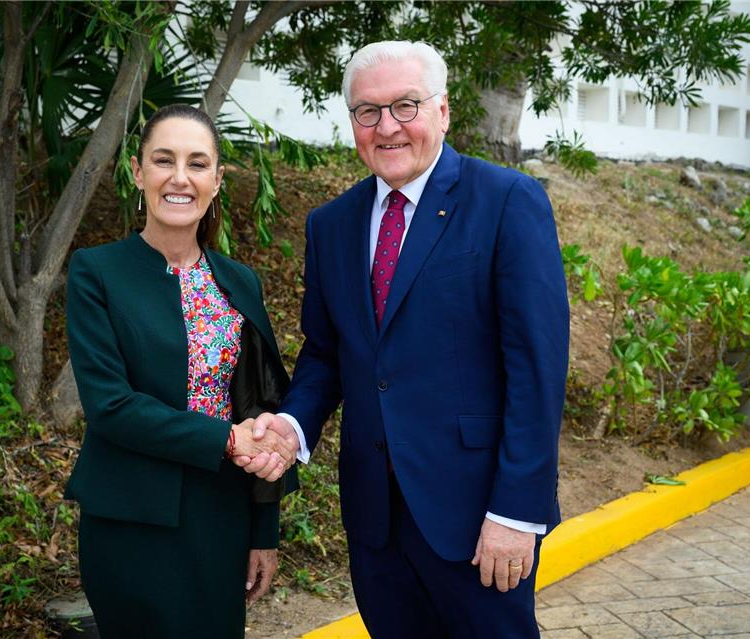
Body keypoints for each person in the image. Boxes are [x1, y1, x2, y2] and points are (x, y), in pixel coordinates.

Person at [238, 41, 569, 638]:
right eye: (368, 111)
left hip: (476, 517)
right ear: (352, 123)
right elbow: (326, 355)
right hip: (376, 521)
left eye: (405, 106)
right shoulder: (331, 224)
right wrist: (290, 428)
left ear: (442, 111)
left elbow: (537, 372)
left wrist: (518, 511)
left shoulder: (508, 202)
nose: (387, 127)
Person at [63, 104, 298, 639]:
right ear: (138, 171)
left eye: (197, 164)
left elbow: (261, 406)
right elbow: (110, 406)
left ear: (216, 180)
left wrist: (264, 532)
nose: (179, 177)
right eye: (164, 160)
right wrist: (226, 439)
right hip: (130, 517)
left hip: (222, 514)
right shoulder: (97, 271)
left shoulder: (240, 281)